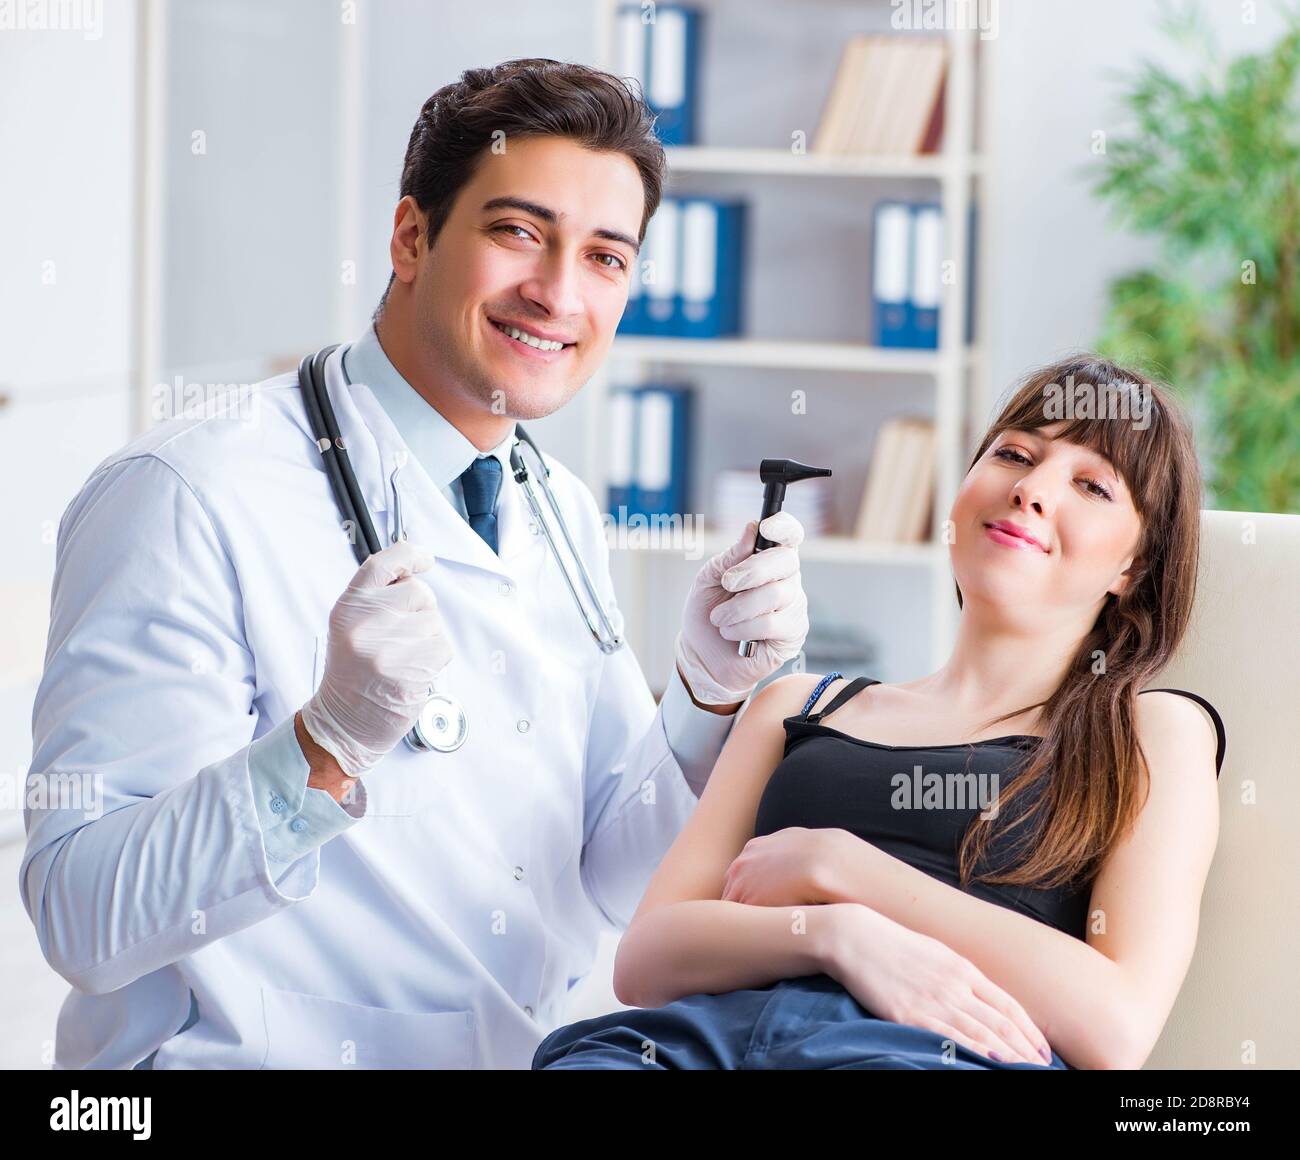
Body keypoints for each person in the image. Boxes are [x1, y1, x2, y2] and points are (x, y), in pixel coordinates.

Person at [20, 58, 811, 1069]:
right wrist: (324, 744)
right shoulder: (184, 494)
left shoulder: (551, 504)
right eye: (518, 231)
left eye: (606, 256)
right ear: (410, 237)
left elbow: (607, 875)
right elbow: (83, 916)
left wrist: (706, 693)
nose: (558, 292)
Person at [533, 355, 1227, 1071]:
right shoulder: (795, 705)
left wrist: (840, 867)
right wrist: (836, 935)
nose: (1030, 490)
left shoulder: (1151, 733)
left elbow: (1115, 1027)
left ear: (1134, 569)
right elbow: (645, 958)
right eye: (1016, 454)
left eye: (1091, 485)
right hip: (688, 1051)